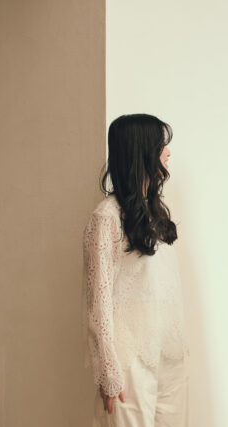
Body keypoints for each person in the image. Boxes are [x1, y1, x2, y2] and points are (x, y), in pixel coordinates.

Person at [83, 114, 188, 427]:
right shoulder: (106, 217)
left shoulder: (156, 211)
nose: (168, 151)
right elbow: (98, 301)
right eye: (161, 144)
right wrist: (108, 371)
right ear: (141, 150)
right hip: (129, 360)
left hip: (170, 354)